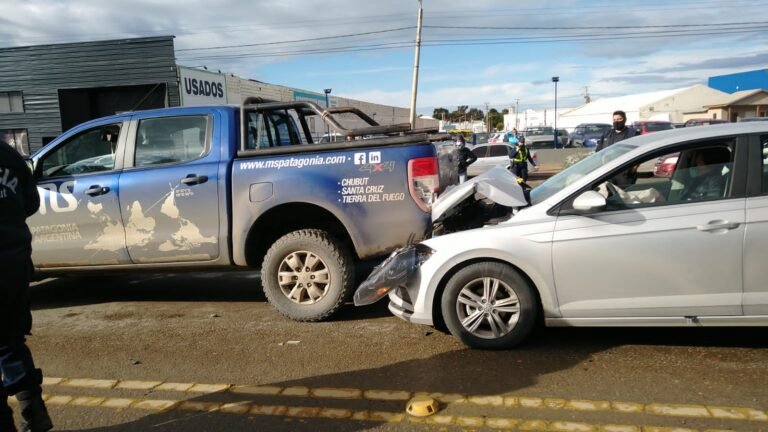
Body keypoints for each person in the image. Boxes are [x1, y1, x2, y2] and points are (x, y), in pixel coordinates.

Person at [0, 140, 53, 432]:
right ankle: (35, 414)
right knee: (9, 340)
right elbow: (31, 203)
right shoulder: (8, 155)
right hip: (14, 263)